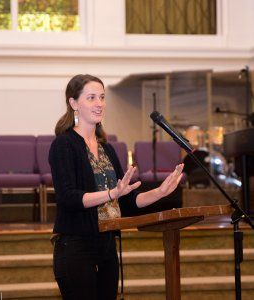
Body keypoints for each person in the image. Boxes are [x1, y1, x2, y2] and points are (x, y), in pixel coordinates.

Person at [48, 74, 184, 300]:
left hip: (107, 247)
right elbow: (68, 198)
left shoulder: (107, 150)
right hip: (75, 245)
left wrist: (160, 192)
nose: (99, 103)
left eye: (102, 97)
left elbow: (128, 201)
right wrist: (111, 193)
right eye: (91, 97)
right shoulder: (64, 145)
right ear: (73, 104)